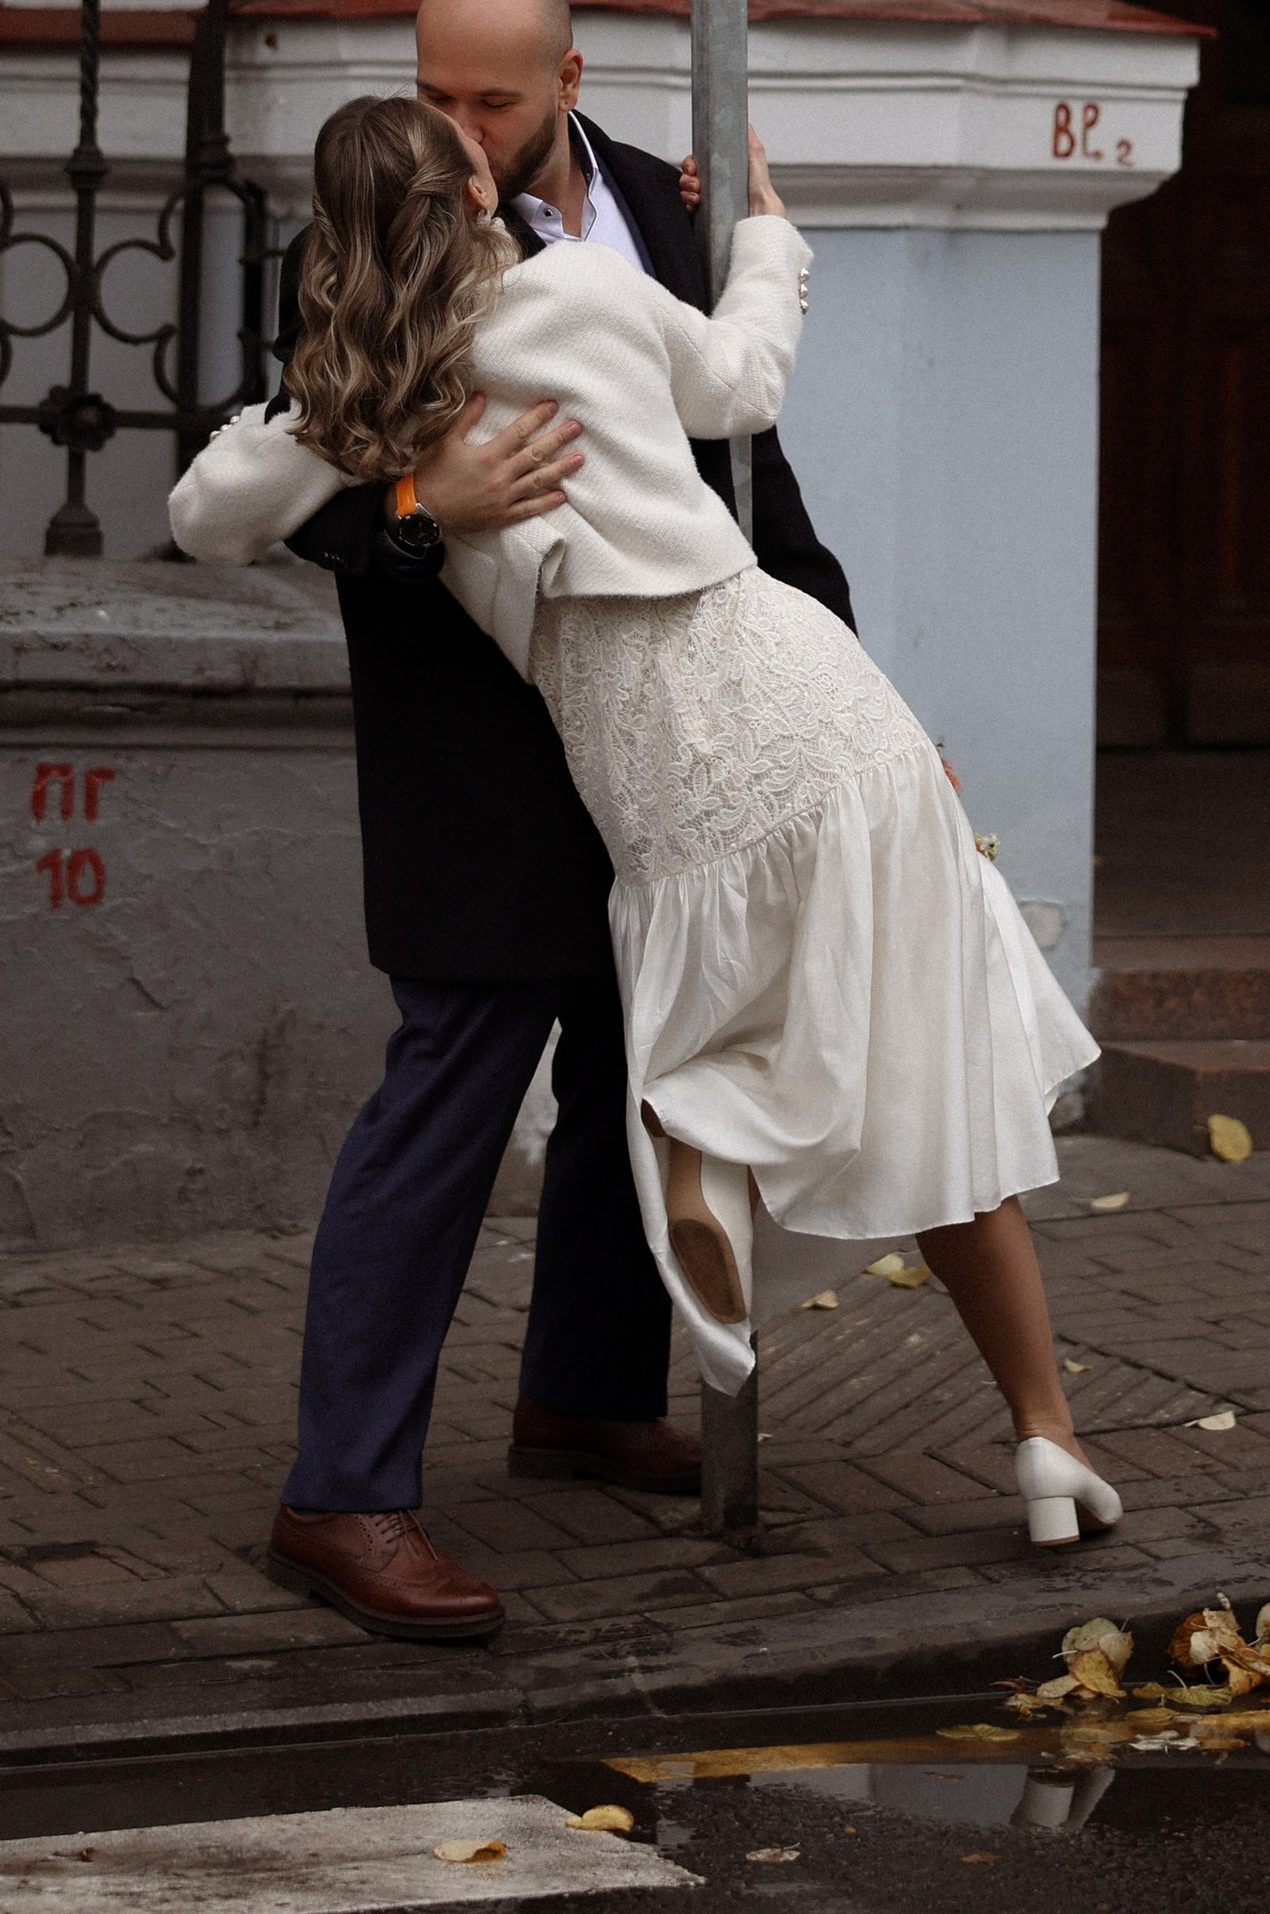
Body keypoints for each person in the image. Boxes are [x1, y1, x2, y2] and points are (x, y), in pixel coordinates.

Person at [174, 87, 1119, 1586]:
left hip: (657, 758)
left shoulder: (364, 402)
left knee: (703, 1013)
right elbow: (743, 378)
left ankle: (686, 1200)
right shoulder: (576, 298)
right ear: (474, 193)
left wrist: (401, 470)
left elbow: (203, 510)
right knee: (892, 1036)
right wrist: (772, 235)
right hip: (807, 699)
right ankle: (1040, 1425)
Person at [236, 0, 854, 1646]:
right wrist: (421, 503)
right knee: (448, 1095)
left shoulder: (660, 202)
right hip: (473, 749)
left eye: (491, 100)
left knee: (639, 1063)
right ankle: (341, 1492)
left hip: (664, 727)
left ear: (568, 81)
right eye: (432, 90)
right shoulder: (367, 216)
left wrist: (836, 676)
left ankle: (584, 1393)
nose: (454, 131)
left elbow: (743, 463)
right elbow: (294, 478)